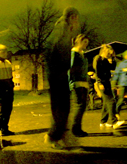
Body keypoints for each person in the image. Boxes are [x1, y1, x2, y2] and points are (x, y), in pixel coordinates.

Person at [44, 7, 81, 149]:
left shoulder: (65, 29)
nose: (78, 22)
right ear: (72, 17)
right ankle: (53, 136)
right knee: (61, 107)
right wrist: (58, 70)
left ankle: (59, 136)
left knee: (63, 107)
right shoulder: (62, 28)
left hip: (59, 73)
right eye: (77, 18)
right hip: (57, 74)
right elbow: (51, 49)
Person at [94, 44, 125, 129]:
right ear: (106, 51)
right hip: (103, 83)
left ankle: (103, 121)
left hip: (106, 82)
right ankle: (114, 122)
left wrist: (113, 60)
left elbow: (113, 68)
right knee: (111, 101)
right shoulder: (99, 60)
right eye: (110, 52)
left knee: (106, 103)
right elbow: (98, 73)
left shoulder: (106, 60)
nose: (111, 53)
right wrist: (100, 83)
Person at [68, 34, 89, 137]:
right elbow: (70, 69)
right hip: (77, 83)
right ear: (79, 42)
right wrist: (71, 84)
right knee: (79, 105)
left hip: (83, 82)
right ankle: (75, 129)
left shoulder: (82, 54)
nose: (86, 45)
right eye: (84, 42)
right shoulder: (74, 54)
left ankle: (77, 128)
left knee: (82, 106)